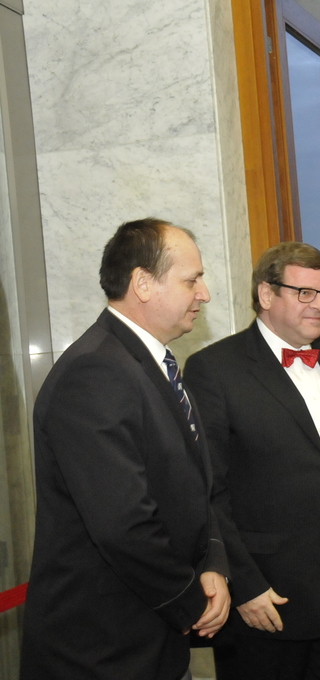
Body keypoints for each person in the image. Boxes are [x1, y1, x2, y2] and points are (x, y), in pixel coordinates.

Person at [21, 218, 230, 680]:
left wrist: (212, 563)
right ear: (143, 283)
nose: (204, 294)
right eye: (192, 280)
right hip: (103, 653)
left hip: (152, 643)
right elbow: (124, 523)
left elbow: (194, 486)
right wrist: (190, 601)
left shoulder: (152, 364)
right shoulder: (95, 372)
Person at [183, 242, 320, 680]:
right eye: (304, 293)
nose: (319, 305)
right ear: (266, 294)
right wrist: (243, 584)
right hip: (269, 592)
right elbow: (207, 492)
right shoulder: (213, 369)